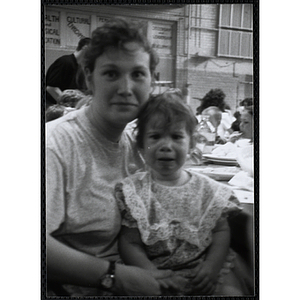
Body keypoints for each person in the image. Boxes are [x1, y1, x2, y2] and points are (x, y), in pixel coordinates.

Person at [46, 17, 165, 296]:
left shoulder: (133, 145)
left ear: (152, 81)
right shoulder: (56, 144)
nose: (126, 88)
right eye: (111, 73)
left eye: (137, 74)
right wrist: (116, 277)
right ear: (89, 78)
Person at [114, 93, 252, 296]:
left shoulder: (208, 189)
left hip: (203, 269)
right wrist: (152, 274)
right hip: (156, 273)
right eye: (155, 136)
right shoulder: (136, 192)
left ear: (192, 144)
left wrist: (212, 266)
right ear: (140, 144)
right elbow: (129, 242)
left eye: (177, 137)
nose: (166, 145)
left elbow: (221, 231)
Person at [46, 37, 91, 108]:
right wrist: (67, 106)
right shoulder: (65, 62)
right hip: (52, 106)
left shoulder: (79, 66)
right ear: (85, 47)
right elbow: (51, 88)